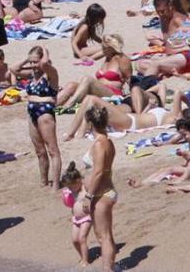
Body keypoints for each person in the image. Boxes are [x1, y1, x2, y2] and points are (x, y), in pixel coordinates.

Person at [20, 46, 62, 188]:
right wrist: (28, 59)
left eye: (35, 62)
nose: (33, 65)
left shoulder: (51, 74)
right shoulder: (32, 75)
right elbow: (13, 69)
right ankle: (44, 182)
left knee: (52, 150)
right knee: (40, 151)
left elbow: (44, 64)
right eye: (31, 62)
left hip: (45, 115)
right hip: (32, 114)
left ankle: (56, 184)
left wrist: (45, 50)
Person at [84, 105, 118, 269]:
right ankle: (111, 265)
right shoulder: (108, 142)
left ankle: (107, 269)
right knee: (103, 234)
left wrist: (88, 196)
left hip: (101, 194)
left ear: (90, 123)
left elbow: (98, 172)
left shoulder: (99, 144)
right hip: (105, 192)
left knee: (104, 236)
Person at [59, 162, 94, 268]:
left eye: (71, 186)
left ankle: (85, 260)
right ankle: (84, 256)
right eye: (68, 187)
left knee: (82, 238)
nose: (70, 188)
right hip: (76, 218)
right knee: (74, 240)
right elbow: (70, 203)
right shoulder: (71, 190)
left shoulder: (85, 188)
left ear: (78, 180)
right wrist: (66, 198)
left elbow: (93, 197)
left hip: (86, 217)